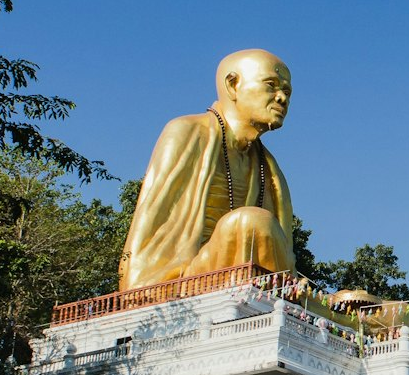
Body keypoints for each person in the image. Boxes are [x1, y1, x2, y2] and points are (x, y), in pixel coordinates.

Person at [119, 50, 296, 291]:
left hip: (243, 274)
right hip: (186, 275)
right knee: (252, 221)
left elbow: (284, 258)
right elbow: (148, 233)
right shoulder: (187, 132)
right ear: (233, 85)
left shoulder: (269, 168)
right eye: (271, 85)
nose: (282, 98)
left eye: (287, 91)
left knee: (347, 300)